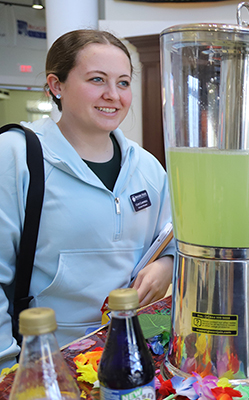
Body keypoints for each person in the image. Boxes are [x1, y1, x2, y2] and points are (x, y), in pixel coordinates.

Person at [0, 30, 175, 368]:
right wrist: (7, 369)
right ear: (56, 85)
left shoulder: (148, 168)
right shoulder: (16, 155)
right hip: (44, 362)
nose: (113, 95)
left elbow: (172, 241)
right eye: (97, 79)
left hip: (132, 355)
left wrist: (165, 267)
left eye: (123, 83)